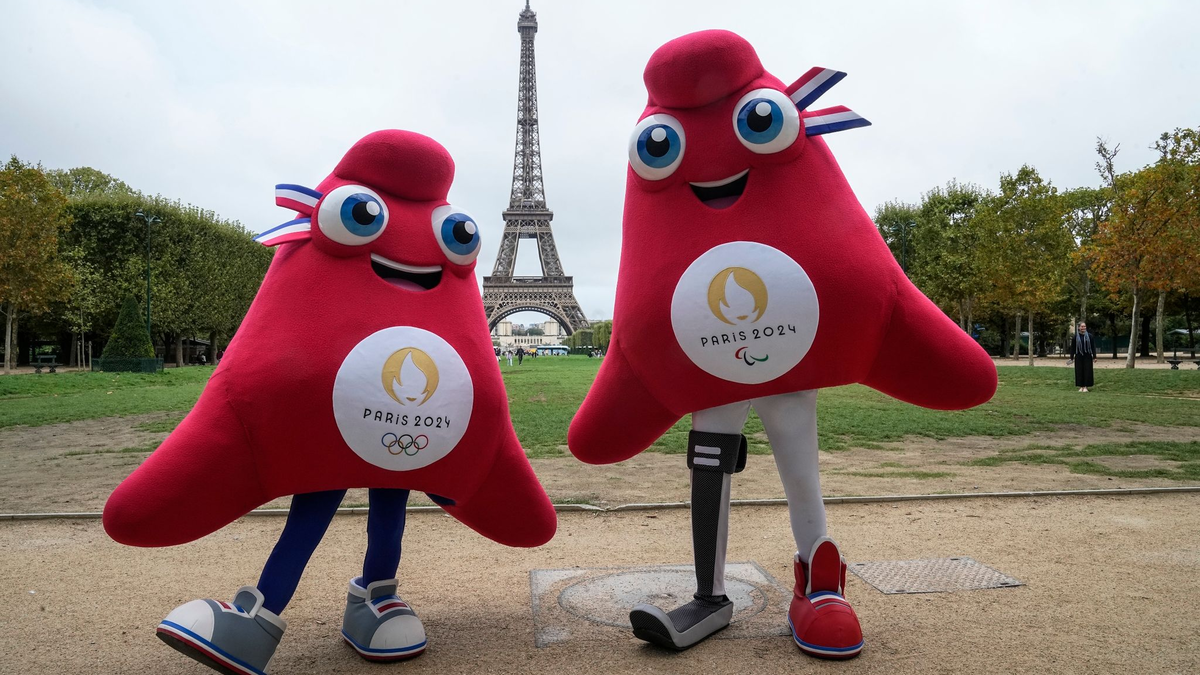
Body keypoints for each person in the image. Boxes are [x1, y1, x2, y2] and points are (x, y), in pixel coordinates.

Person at [1068, 322, 1096, 392]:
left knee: (1087, 371)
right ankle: (1081, 386)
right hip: (1078, 356)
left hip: (1087, 355)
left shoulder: (1090, 336)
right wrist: (1071, 358)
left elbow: (1093, 347)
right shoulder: (1075, 337)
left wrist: (1094, 357)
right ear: (1079, 328)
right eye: (1082, 326)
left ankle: (1086, 386)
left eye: (1084, 326)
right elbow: (1073, 348)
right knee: (1079, 371)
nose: (1083, 328)